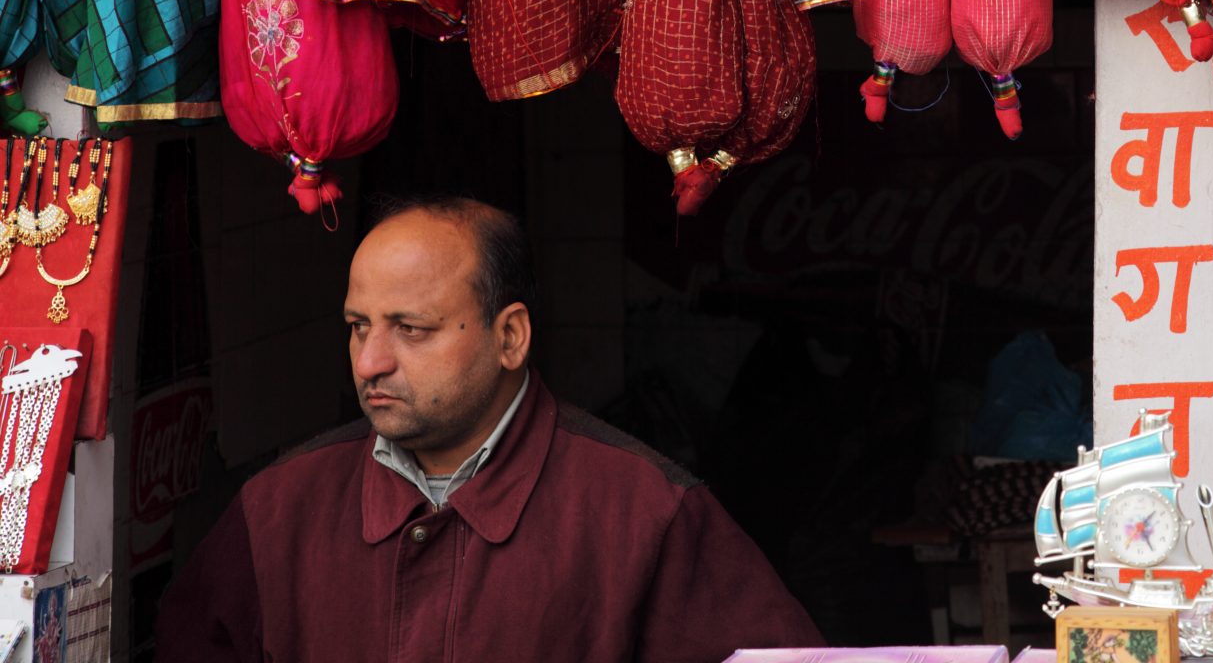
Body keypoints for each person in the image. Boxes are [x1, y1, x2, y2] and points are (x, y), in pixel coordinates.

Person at [156, 195, 821, 662]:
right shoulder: (277, 510)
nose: (371, 362)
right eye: (359, 327)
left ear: (510, 337)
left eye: (410, 329)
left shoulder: (646, 511)